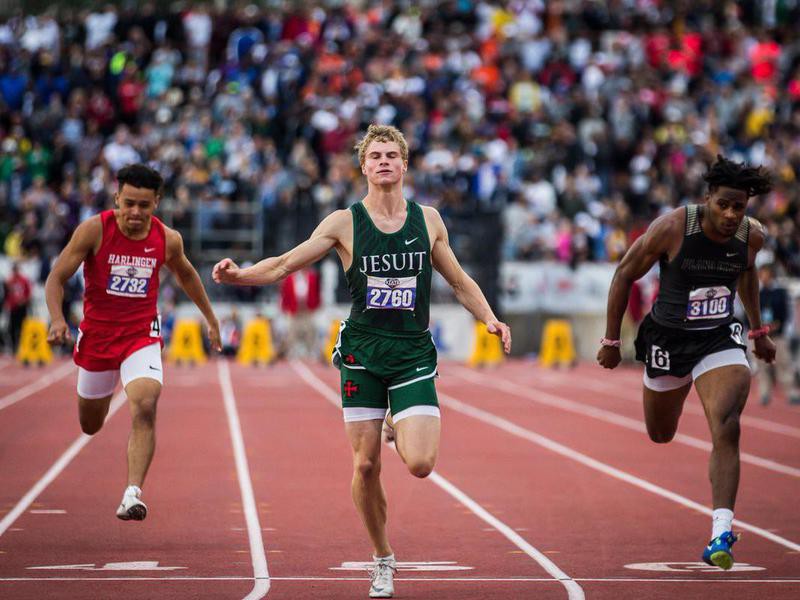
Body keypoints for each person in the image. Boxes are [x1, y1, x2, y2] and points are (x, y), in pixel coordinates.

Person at [213, 124, 511, 598]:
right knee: (366, 465)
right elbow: (286, 264)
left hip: (412, 352)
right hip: (362, 354)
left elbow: (457, 280)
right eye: (376, 156)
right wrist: (239, 275)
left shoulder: (429, 220)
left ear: (406, 164)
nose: (385, 162)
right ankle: (382, 558)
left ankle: (398, 422)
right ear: (364, 166)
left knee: (420, 463)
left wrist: (490, 318)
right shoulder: (343, 223)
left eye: (393, 155)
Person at [597, 155, 776, 570]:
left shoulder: (752, 237)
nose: (731, 215)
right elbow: (625, 273)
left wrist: (757, 330)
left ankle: (721, 533)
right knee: (661, 433)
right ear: (708, 198)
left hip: (718, 337)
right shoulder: (675, 227)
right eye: (724, 205)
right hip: (668, 339)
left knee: (727, 426)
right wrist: (611, 340)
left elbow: (746, 273)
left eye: (740, 208)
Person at [45, 163, 221, 521]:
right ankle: (103, 395)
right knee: (90, 424)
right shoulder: (94, 230)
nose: (136, 213)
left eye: (144, 205)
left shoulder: (167, 239)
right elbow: (56, 278)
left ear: (156, 202)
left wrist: (211, 319)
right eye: (129, 204)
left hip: (141, 335)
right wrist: (58, 319)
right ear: (117, 199)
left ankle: (132, 494)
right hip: (96, 338)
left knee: (144, 403)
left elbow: (187, 276)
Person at [756, 263, 800, 405]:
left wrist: (780, 326)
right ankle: (764, 393)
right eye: (761, 274)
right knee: (763, 365)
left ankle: (791, 392)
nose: (762, 277)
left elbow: (788, 313)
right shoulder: (758, 292)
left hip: (779, 334)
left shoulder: (781, 292)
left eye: (765, 274)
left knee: (784, 363)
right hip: (762, 335)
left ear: (771, 274)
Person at [4, 262, 32, 354]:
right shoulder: (9, 281)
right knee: (12, 327)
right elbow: (6, 294)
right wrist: (8, 303)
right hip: (13, 307)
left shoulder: (24, 280)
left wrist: (24, 301)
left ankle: (23, 346)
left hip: (22, 307)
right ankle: (14, 347)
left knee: (23, 327)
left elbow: (28, 293)